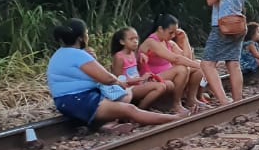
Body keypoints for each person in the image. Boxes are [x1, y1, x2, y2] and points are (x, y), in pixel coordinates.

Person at [47, 20, 180, 128]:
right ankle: (176, 119)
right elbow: (107, 78)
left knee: (123, 98)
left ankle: (106, 123)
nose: (88, 36)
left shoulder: (60, 53)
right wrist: (119, 83)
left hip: (65, 101)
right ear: (81, 37)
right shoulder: (78, 55)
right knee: (130, 110)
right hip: (80, 100)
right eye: (87, 33)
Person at [202, 0, 251, 105]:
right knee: (233, 63)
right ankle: (238, 100)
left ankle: (224, 101)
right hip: (239, 23)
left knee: (207, 63)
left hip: (222, 25)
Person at [139, 16, 203, 114]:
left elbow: (187, 58)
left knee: (197, 66)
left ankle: (191, 99)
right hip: (151, 77)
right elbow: (176, 59)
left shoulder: (168, 42)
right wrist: (200, 65)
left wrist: (184, 39)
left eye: (175, 32)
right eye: (171, 32)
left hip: (166, 74)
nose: (173, 35)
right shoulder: (151, 42)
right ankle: (176, 104)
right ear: (160, 29)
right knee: (182, 69)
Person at [109, 28, 175, 111]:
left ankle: (157, 107)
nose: (135, 41)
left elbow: (137, 67)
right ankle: (139, 110)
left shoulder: (133, 53)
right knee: (160, 87)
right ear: (122, 42)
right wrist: (141, 79)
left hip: (139, 83)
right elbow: (118, 81)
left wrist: (142, 56)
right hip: (128, 88)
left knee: (169, 84)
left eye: (136, 38)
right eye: (131, 39)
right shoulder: (119, 57)